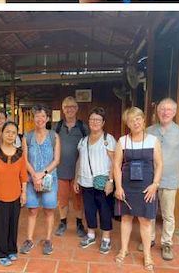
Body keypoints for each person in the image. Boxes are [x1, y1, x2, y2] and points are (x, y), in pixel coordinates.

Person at [114, 107, 162, 271]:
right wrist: (118, 186)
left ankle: (147, 255)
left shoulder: (153, 140)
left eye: (138, 119)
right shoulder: (122, 141)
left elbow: (159, 164)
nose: (135, 122)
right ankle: (124, 249)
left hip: (146, 187)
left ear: (143, 120)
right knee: (126, 218)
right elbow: (116, 165)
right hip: (127, 186)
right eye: (131, 120)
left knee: (145, 221)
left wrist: (155, 184)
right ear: (127, 123)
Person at [146, 98, 179, 261]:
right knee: (149, 213)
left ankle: (167, 243)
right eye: (162, 109)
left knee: (168, 214)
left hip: (170, 181)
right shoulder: (149, 130)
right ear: (157, 111)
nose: (165, 112)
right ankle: (150, 239)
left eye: (168, 110)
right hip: (150, 181)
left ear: (174, 112)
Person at [19, 104, 61, 256]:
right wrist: (34, 176)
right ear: (34, 118)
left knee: (49, 210)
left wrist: (41, 174)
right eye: (37, 116)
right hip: (32, 179)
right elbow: (24, 159)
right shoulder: (27, 136)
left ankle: (48, 239)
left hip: (49, 179)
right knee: (32, 210)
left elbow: (56, 160)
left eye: (43, 116)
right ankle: (29, 239)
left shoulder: (54, 136)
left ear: (47, 118)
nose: (40, 119)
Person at [0, 121, 28, 267]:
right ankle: (0, 253)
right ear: (2, 134)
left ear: (17, 135)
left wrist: (24, 193)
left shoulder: (20, 153)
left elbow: (23, 175)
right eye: (7, 132)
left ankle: (11, 249)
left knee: (13, 224)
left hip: (15, 194)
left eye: (13, 132)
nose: (10, 135)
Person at [74, 107, 116, 253]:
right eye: (92, 119)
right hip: (85, 181)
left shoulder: (108, 139)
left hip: (103, 183)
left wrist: (111, 181)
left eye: (98, 120)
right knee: (89, 210)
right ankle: (91, 234)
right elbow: (80, 160)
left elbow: (114, 162)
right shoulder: (83, 140)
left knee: (105, 210)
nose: (95, 122)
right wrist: (76, 179)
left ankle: (106, 238)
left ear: (103, 122)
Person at [54, 96, 88, 239]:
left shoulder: (83, 127)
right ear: (63, 109)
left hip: (78, 172)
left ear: (77, 108)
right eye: (67, 107)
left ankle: (80, 224)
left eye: (72, 106)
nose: (70, 109)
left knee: (78, 200)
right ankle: (63, 223)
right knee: (62, 199)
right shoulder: (57, 126)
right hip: (60, 170)